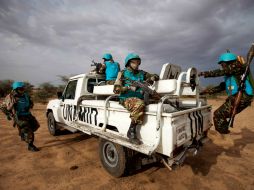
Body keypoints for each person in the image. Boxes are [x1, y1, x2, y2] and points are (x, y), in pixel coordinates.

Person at [199, 51, 254, 134]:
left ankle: (224, 135)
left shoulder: (237, 67)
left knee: (218, 114)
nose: (222, 66)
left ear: (228, 62)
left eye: (222, 64)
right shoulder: (232, 74)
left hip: (243, 97)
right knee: (219, 115)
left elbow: (220, 72)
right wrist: (206, 91)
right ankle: (224, 132)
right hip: (236, 97)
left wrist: (204, 73)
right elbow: (222, 87)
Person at [113, 53, 159, 144]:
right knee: (140, 104)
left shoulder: (142, 73)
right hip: (126, 98)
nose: (136, 64)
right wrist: (128, 87)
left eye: (138, 62)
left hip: (140, 96)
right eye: (134, 62)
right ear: (128, 63)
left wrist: (153, 77)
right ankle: (131, 132)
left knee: (159, 99)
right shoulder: (122, 73)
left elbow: (155, 76)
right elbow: (116, 90)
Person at [0, 81, 40, 151]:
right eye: (21, 89)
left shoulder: (26, 96)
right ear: (16, 89)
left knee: (35, 126)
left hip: (27, 114)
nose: (22, 90)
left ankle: (23, 133)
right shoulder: (10, 97)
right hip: (19, 116)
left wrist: (30, 106)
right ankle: (30, 145)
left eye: (23, 88)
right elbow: (3, 107)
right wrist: (9, 114)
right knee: (27, 128)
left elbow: (31, 103)